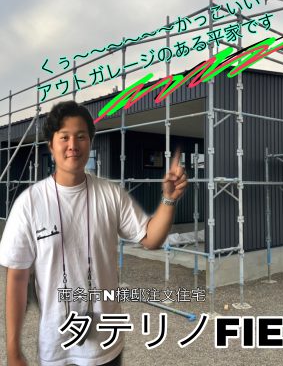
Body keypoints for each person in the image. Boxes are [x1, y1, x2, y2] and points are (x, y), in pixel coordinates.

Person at [0, 101, 188, 366]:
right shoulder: (29, 203)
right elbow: (17, 278)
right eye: (64, 137)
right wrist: (13, 351)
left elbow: (150, 238)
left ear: (90, 142)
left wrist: (169, 199)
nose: (72, 145)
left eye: (81, 136)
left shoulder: (110, 194)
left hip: (106, 345)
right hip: (56, 349)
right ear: (51, 145)